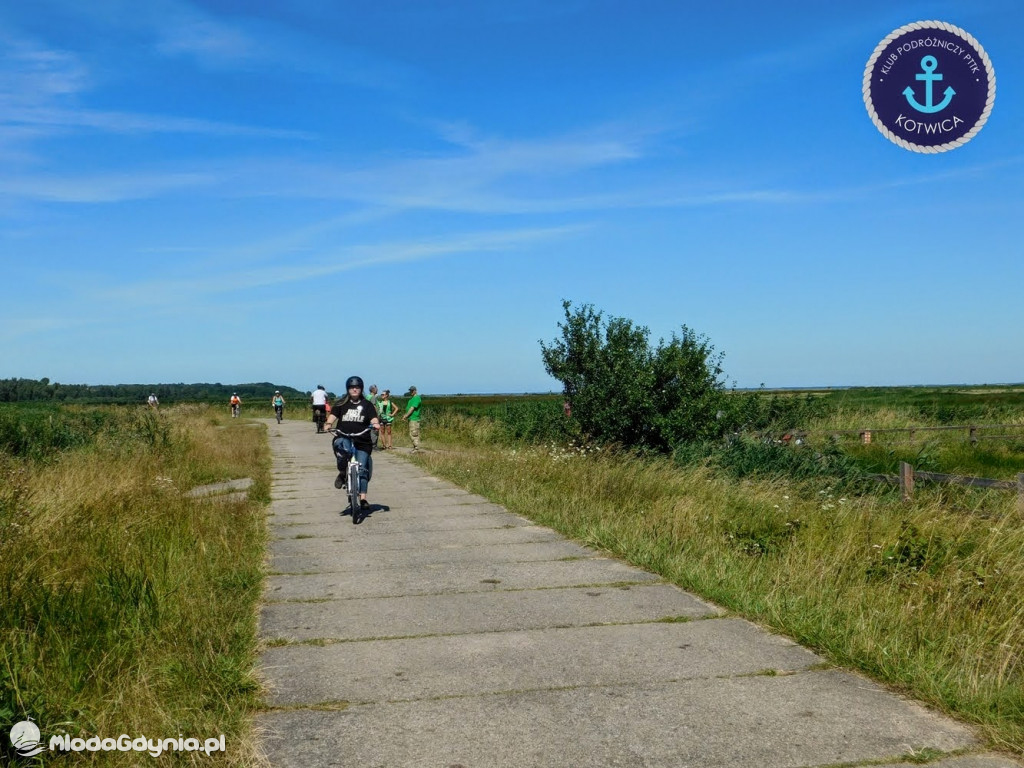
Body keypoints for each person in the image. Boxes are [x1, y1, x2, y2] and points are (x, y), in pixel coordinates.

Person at [324, 376, 380, 512]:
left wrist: (375, 424)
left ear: (361, 389)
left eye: (357, 387)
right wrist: (328, 423)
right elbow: (332, 416)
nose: (354, 389)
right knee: (342, 449)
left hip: (362, 440)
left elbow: (373, 418)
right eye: (351, 387)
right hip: (344, 436)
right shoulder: (341, 404)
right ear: (348, 389)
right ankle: (343, 473)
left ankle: (363, 498)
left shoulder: (367, 405)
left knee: (362, 469)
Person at [402, 385, 422, 452]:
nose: (411, 392)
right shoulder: (412, 399)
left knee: (414, 433)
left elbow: (412, 408)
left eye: (412, 390)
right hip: (411, 418)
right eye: (410, 390)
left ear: (415, 391)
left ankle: (416, 448)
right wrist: (406, 415)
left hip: (414, 419)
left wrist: (406, 416)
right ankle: (415, 447)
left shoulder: (417, 398)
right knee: (412, 433)